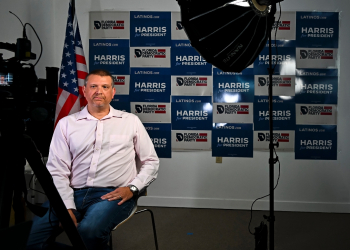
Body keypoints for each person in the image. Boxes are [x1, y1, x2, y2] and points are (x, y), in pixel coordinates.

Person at [27, 69, 159, 250]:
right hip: (70, 192)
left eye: (105, 87)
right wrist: (66, 206)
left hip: (111, 195)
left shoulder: (131, 121)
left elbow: (151, 161)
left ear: (112, 92)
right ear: (84, 91)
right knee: (32, 241)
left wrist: (132, 188)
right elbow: (57, 169)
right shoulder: (67, 124)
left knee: (88, 232)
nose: (99, 91)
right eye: (93, 86)